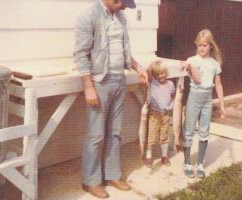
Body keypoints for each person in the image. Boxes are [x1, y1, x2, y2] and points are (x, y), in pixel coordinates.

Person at [73, 0, 148, 198]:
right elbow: (81, 55)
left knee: (115, 132)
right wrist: (88, 87)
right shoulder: (89, 16)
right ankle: (91, 181)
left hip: (119, 79)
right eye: (124, 3)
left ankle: (112, 174)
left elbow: (124, 51)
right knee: (96, 134)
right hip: (99, 82)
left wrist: (138, 67)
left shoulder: (120, 18)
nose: (125, 7)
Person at [181, 29, 226, 179]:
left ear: (211, 46)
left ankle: (200, 163)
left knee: (204, 131)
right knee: (188, 130)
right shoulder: (191, 60)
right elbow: (198, 80)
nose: (202, 48)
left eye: (205, 45)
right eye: (199, 45)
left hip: (207, 98)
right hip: (194, 97)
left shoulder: (214, 64)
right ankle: (187, 162)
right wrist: (189, 67)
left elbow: (218, 85)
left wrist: (222, 106)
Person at [144, 61, 175, 168]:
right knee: (151, 136)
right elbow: (148, 71)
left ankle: (164, 156)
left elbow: (172, 95)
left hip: (166, 115)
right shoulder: (153, 83)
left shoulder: (171, 84)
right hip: (154, 114)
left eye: (162, 73)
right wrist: (153, 63)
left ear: (166, 73)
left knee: (164, 136)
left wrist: (172, 105)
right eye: (157, 74)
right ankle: (148, 157)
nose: (160, 76)